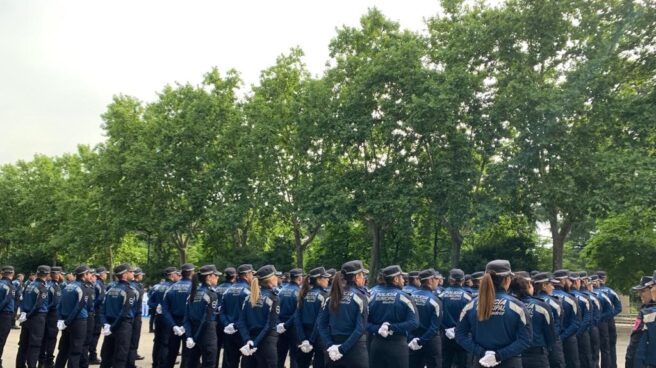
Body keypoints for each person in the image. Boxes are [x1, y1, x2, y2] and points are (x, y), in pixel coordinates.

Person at [455, 260, 531, 368]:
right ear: (506, 280)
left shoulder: (471, 305)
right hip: (509, 362)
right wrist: (498, 356)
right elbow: (525, 340)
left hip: (481, 362)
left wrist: (482, 353)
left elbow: (460, 335)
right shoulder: (518, 306)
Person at [317, 260, 369, 368]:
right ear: (356, 277)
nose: (364, 277)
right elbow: (360, 328)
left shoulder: (331, 296)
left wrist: (330, 345)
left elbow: (321, 324)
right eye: (362, 274)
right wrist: (342, 349)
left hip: (332, 351)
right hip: (354, 351)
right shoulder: (360, 297)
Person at [367, 265, 419, 368]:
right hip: (397, 346)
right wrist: (391, 327)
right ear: (395, 279)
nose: (404, 280)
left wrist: (378, 328)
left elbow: (364, 322)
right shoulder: (405, 297)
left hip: (377, 344)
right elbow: (414, 323)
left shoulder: (372, 297)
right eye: (401, 277)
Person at [237, 265, 281, 368]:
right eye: (276, 275)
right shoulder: (273, 298)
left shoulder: (249, 297)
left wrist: (248, 340)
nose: (278, 278)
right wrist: (254, 343)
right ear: (271, 278)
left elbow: (241, 322)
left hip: (249, 344)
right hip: (266, 344)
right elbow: (270, 325)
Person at [509, 272, 554, 368]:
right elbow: (550, 333)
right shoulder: (541, 306)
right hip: (537, 355)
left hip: (513, 356)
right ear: (529, 285)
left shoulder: (510, 306)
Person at [99, 264, 138, 368]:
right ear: (125, 274)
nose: (133, 273)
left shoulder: (110, 289)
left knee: (107, 356)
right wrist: (112, 327)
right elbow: (124, 312)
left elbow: (102, 310)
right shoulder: (129, 290)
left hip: (110, 325)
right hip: (122, 326)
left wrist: (106, 324)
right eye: (131, 271)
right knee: (120, 357)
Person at [54, 265, 92, 368]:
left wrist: (61, 319)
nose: (91, 276)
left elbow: (59, 304)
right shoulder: (83, 288)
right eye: (89, 274)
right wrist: (67, 321)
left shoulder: (67, 286)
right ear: (84, 275)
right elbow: (79, 307)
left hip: (66, 321)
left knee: (64, 350)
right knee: (75, 351)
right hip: (78, 322)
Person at [184, 265, 221, 368]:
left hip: (193, 331)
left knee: (192, 363)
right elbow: (207, 319)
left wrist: (190, 336)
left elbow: (186, 318)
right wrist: (194, 337)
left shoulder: (192, 294)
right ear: (209, 277)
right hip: (207, 333)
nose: (218, 277)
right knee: (209, 363)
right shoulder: (211, 294)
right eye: (215, 275)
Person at [294, 267, 331, 368]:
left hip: (304, 336)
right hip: (318, 337)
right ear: (319, 279)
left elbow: (297, 319)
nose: (328, 279)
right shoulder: (324, 296)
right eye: (325, 277)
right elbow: (320, 321)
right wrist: (311, 340)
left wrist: (303, 339)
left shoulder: (303, 293)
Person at [220, 264, 255, 368]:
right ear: (247, 274)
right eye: (252, 274)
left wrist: (228, 325)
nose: (253, 276)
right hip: (244, 332)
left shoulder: (227, 291)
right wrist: (235, 326)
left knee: (230, 362)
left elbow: (221, 311)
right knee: (247, 362)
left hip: (229, 331)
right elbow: (249, 314)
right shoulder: (249, 292)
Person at [162, 263, 195, 368]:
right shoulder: (194, 288)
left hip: (174, 323)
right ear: (192, 273)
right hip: (189, 324)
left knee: (171, 354)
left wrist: (173, 326)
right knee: (188, 354)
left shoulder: (171, 288)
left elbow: (165, 310)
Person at [408, 269, 443, 368]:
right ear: (430, 280)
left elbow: (407, 320)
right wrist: (422, 340)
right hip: (430, 341)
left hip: (412, 340)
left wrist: (412, 338)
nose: (438, 281)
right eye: (436, 279)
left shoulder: (410, 297)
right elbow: (434, 326)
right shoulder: (435, 300)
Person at [17, 265, 49, 368]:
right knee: (35, 345)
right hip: (37, 317)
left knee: (23, 344)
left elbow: (22, 300)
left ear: (37, 272)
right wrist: (29, 315)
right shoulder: (42, 287)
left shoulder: (29, 285)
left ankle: (20, 365)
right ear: (47, 274)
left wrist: (23, 313)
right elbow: (38, 305)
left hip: (26, 316)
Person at [440, 268, 472, 368]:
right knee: (463, 363)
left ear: (450, 280)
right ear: (463, 280)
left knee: (445, 362)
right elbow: (471, 318)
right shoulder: (468, 297)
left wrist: (446, 328)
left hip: (445, 334)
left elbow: (437, 315)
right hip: (463, 335)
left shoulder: (441, 296)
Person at [533, 272, 566, 368]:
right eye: (551, 284)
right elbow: (559, 325)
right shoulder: (555, 303)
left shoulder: (528, 302)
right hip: (553, 343)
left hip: (535, 347)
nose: (554, 287)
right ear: (543, 285)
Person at [150, 267, 180, 368]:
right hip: (168, 318)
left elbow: (150, 301)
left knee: (157, 341)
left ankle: (155, 363)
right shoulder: (173, 288)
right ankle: (162, 363)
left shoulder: (158, 287)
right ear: (172, 276)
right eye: (177, 274)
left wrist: (156, 306)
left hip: (158, 317)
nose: (178, 276)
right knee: (166, 342)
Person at [553, 269, 582, 368]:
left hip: (552, 341)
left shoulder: (546, 298)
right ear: (563, 281)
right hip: (568, 339)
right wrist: (563, 336)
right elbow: (576, 322)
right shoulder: (570, 299)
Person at [276, 268, 303, 368]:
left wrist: (280, 324)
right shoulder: (300, 292)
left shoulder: (281, 290)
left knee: (280, 355)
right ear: (300, 278)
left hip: (280, 326)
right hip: (293, 327)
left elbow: (276, 309)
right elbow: (298, 312)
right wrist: (287, 324)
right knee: (295, 356)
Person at [624, 275, 653, 368]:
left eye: (643, 291)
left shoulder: (647, 313)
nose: (640, 294)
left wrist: (629, 361)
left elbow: (636, 343)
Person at [596, 271, 621, 368]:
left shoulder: (591, 292)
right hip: (608, 321)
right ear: (605, 278)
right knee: (610, 346)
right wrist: (609, 315)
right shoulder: (611, 292)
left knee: (595, 347)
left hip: (595, 322)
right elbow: (618, 308)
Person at [569, 272, 594, 368]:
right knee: (586, 359)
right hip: (582, 333)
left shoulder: (561, 297)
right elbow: (587, 319)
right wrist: (578, 332)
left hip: (569, 335)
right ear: (576, 281)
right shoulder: (584, 298)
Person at [39, 266, 63, 368]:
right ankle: (49, 362)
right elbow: (55, 303)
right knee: (51, 338)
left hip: (45, 314)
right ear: (57, 274)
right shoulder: (55, 286)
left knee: (44, 338)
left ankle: (41, 361)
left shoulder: (46, 285)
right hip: (52, 315)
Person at [213, 267, 236, 368]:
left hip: (216, 321)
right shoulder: (233, 290)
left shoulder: (217, 288)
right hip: (229, 322)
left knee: (215, 348)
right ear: (234, 276)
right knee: (228, 350)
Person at [88, 267, 108, 365]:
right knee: (95, 334)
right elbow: (100, 299)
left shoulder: (97, 284)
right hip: (97, 311)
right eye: (105, 273)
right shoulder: (99, 285)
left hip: (95, 310)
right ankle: (92, 356)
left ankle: (91, 355)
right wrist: (94, 307)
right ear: (101, 274)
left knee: (93, 334)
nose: (106, 275)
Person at [127, 267, 146, 367]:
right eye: (141, 274)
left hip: (130, 315)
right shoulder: (137, 287)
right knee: (133, 340)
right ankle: (130, 363)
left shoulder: (130, 285)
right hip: (135, 315)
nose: (142, 276)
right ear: (137, 275)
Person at [79, 269, 97, 368]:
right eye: (90, 274)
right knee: (85, 342)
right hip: (87, 316)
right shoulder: (87, 288)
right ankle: (84, 364)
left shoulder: (89, 287)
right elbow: (90, 305)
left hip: (86, 315)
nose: (92, 277)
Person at [0, 266, 16, 368]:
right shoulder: (10, 286)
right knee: (1, 339)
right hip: (5, 314)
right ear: (12, 273)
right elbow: (6, 301)